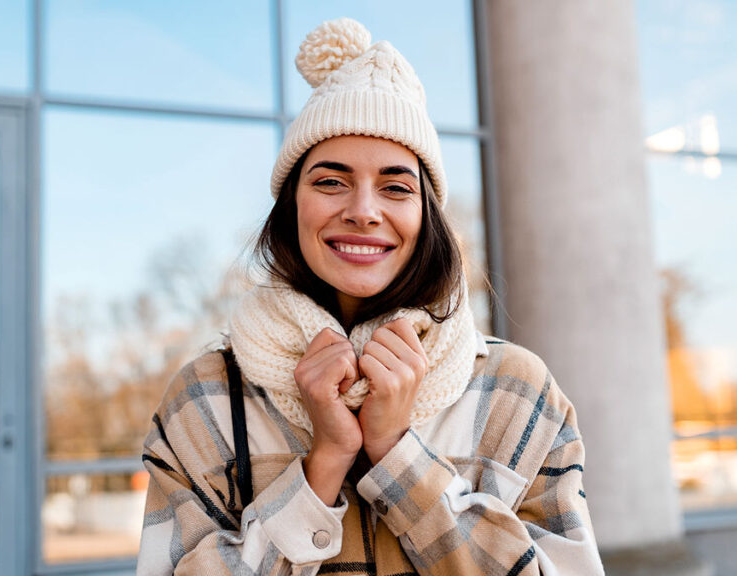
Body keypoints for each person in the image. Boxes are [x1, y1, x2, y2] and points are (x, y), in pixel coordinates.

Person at [136, 18, 604, 576]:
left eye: (396, 187)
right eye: (330, 181)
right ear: (291, 209)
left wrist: (396, 453)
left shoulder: (518, 394)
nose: (363, 210)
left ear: (426, 217)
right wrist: (323, 465)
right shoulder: (205, 400)